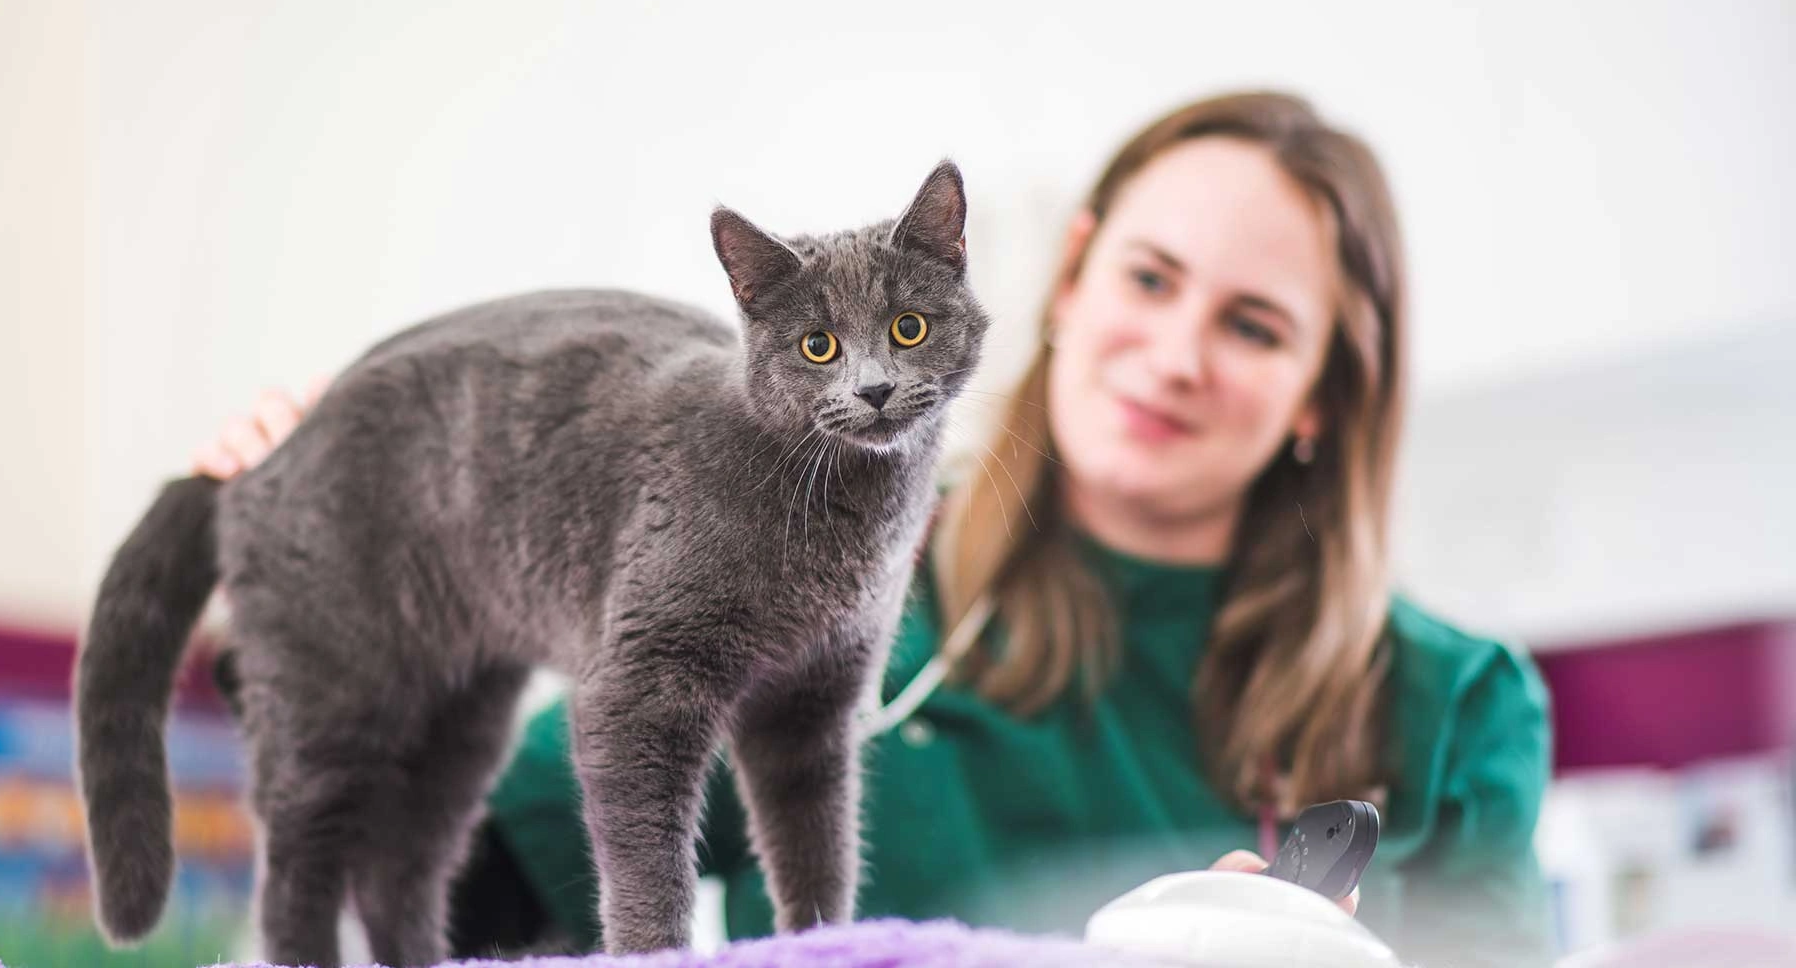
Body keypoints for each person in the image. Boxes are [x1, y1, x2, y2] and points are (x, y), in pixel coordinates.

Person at [197, 92, 1551, 966]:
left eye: (1255, 326)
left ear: (1325, 391)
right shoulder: (822, 577)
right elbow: (476, 875)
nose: (1177, 354)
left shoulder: (1455, 713)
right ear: (1071, 279)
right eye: (1150, 279)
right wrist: (339, 581)